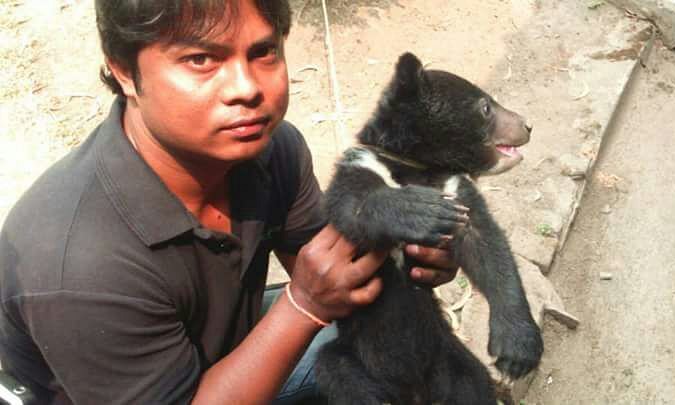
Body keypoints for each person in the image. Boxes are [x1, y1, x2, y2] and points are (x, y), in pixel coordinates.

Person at [0, 1, 460, 403]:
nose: (247, 88)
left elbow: (337, 272)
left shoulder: (273, 151)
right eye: (201, 59)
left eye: (263, 52)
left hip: (221, 350)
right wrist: (303, 306)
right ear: (124, 71)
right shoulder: (78, 269)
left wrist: (407, 257)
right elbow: (314, 298)